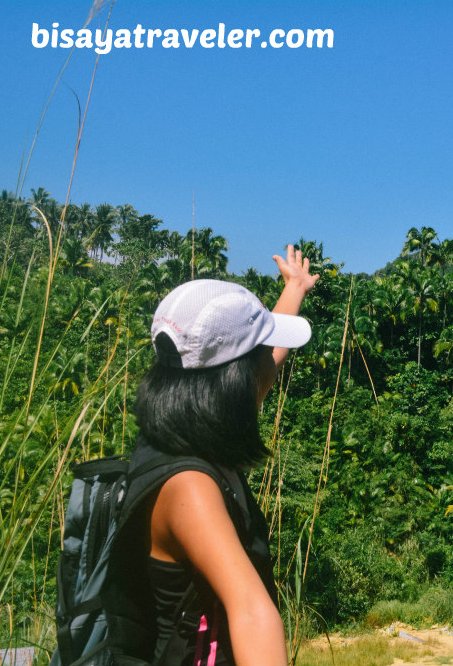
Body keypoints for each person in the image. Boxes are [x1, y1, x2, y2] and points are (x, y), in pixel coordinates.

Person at [131, 245, 319, 666]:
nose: (268, 371)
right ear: (234, 384)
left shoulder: (178, 432)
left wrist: (295, 289)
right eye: (258, 363)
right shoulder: (189, 487)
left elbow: (266, 361)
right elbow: (252, 611)